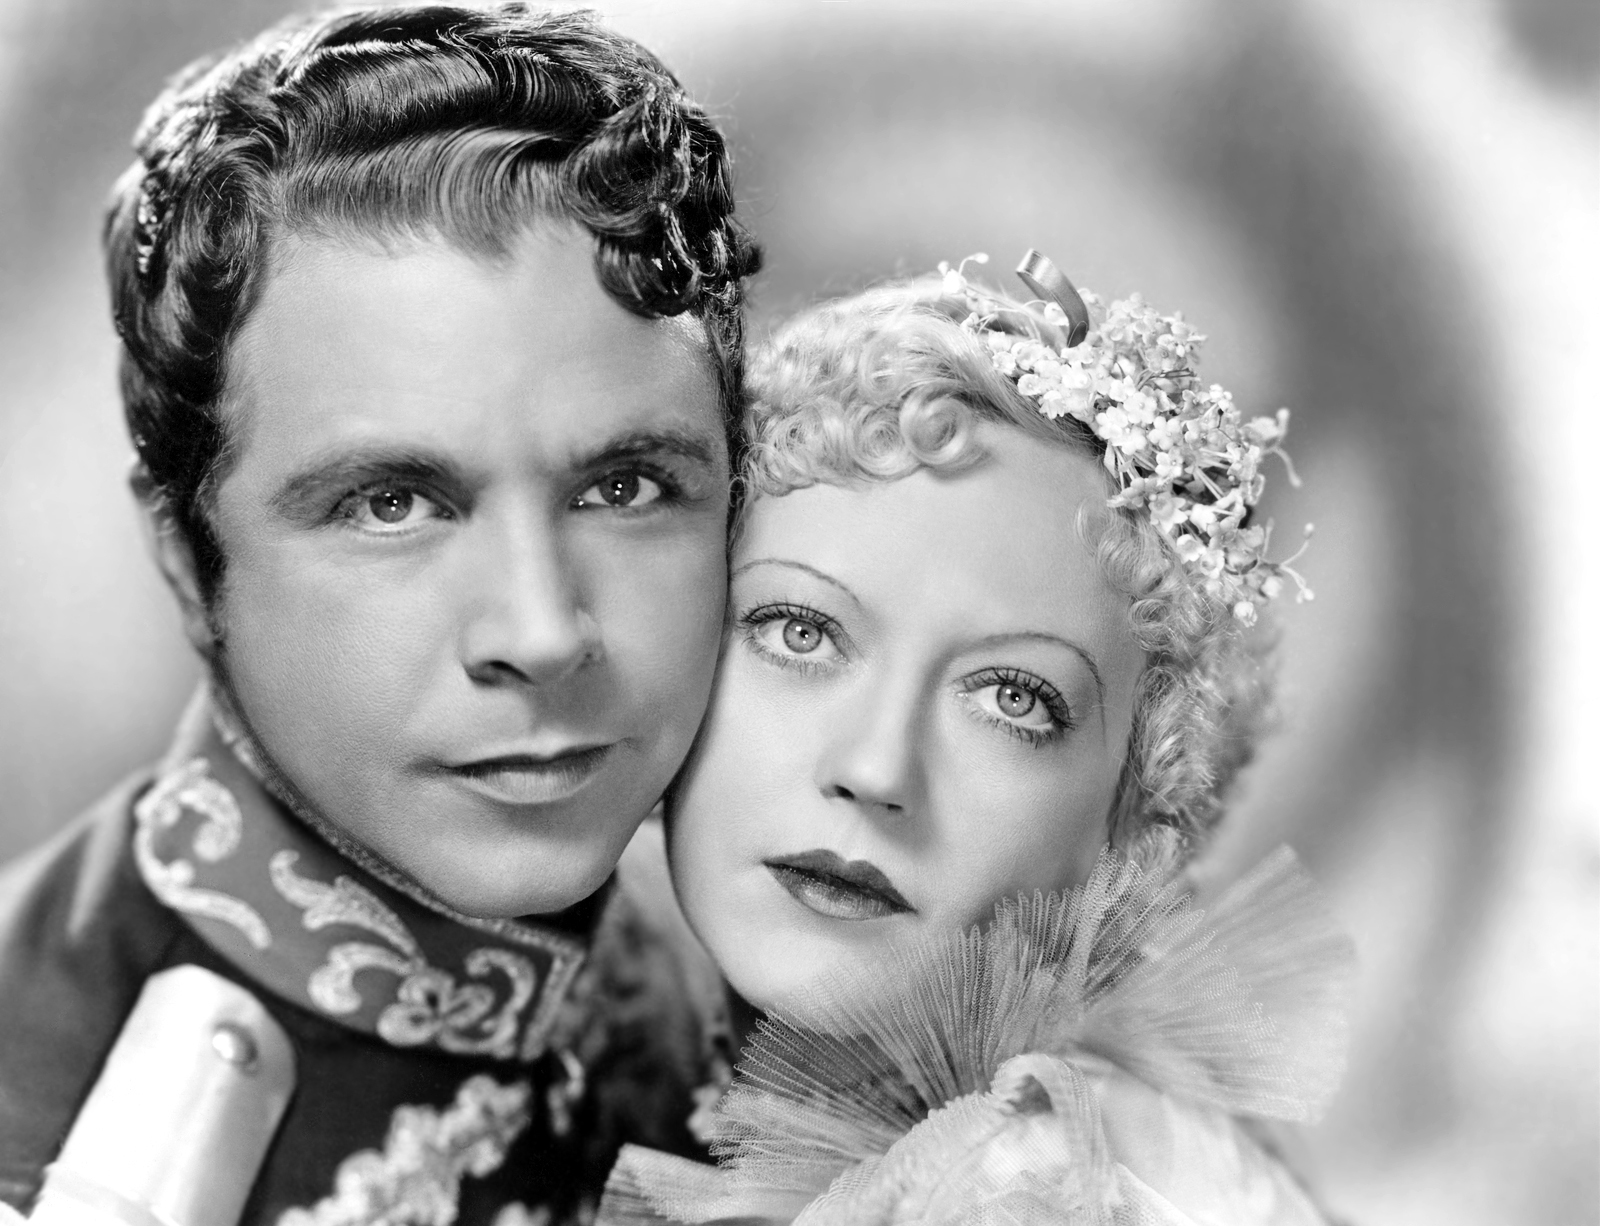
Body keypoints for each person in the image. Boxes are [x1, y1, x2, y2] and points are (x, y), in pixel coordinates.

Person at [0, 4, 759, 1221]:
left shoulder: (761, 959)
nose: (541, 629)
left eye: (623, 487)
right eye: (391, 503)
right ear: (187, 562)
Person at [600, 256, 1351, 1223]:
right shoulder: (572, 997)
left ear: (1136, 819)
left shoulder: (1039, 1183)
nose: (875, 769)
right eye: (802, 632)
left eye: (1012, 698)